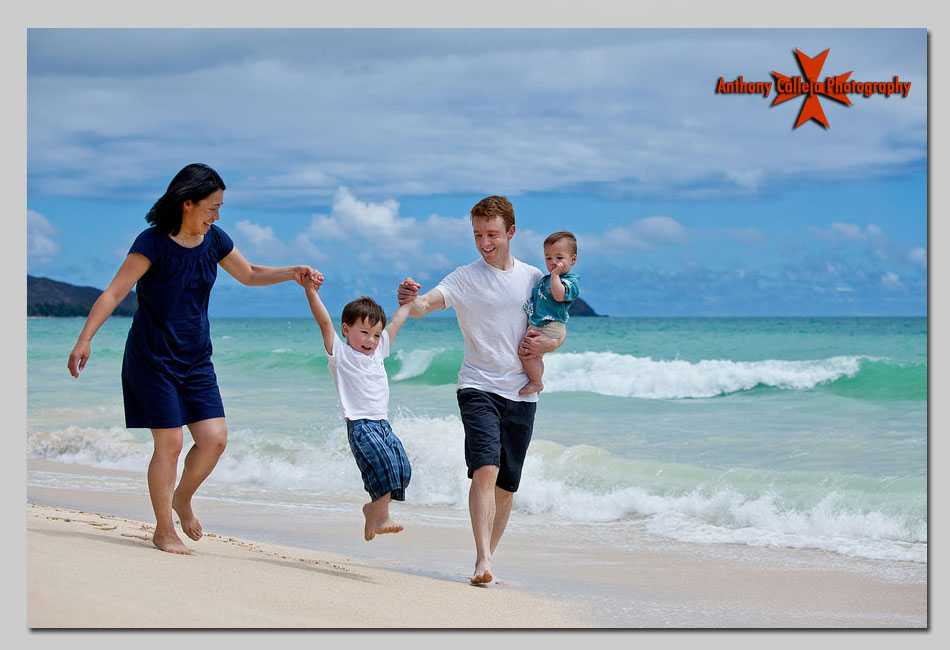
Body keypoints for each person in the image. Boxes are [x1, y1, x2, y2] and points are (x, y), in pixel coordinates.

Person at [67, 163, 314, 555]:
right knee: (170, 443)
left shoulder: (215, 240)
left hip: (197, 359)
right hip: (152, 359)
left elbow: (248, 273)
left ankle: (181, 498)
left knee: (214, 440)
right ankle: (164, 529)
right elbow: (115, 292)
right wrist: (85, 339)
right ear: (187, 204)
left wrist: (292, 272)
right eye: (211, 208)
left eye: (219, 209)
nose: (216, 216)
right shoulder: (152, 243)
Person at [396, 195, 561, 585]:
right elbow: (426, 305)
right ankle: (482, 559)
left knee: (506, 485)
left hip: (521, 392)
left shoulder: (535, 279)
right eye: (477, 235)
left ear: (511, 232)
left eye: (492, 234)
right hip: (477, 385)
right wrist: (411, 300)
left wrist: (547, 345)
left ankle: (489, 555)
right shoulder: (464, 277)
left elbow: (558, 329)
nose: (485, 242)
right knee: (485, 469)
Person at [300, 271, 413, 541]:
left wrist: (407, 303)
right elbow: (323, 321)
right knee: (382, 464)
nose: (371, 340)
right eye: (364, 333)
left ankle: (372, 509)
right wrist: (311, 292)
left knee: (401, 469)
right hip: (360, 424)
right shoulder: (340, 354)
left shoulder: (379, 351)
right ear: (346, 330)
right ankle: (382, 518)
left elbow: (396, 323)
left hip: (382, 423)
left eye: (375, 335)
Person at [519, 230, 579, 395]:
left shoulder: (570, 281)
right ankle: (536, 379)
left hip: (550, 325)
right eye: (548, 258)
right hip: (540, 323)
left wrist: (554, 276)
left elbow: (559, 296)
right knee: (534, 357)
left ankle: (536, 382)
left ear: (572, 259)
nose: (553, 262)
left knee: (526, 353)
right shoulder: (546, 278)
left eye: (559, 258)